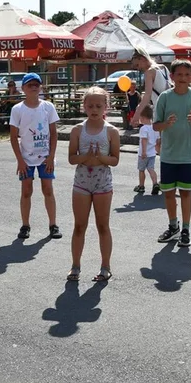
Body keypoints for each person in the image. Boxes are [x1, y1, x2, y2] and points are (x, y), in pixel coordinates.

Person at [153, 59, 191, 249]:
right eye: (179, 75)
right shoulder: (165, 97)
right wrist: (166, 125)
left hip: (188, 154)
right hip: (168, 154)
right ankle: (173, 225)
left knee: (185, 193)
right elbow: (155, 124)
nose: (183, 78)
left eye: (187, 75)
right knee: (168, 193)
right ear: (172, 76)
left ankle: (185, 229)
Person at [67, 86, 120, 282]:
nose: (94, 109)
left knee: (102, 226)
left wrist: (101, 158)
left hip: (102, 183)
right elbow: (72, 158)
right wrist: (86, 156)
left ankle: (105, 266)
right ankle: (75, 266)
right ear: (84, 107)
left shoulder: (112, 131)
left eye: (99, 105)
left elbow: (115, 160)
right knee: (79, 226)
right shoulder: (77, 130)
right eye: (90, 106)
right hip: (81, 182)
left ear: (106, 107)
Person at [9, 73, 62, 240]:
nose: (33, 87)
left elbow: (54, 133)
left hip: (45, 156)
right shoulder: (17, 109)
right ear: (23, 88)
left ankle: (53, 225)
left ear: (41, 87)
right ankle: (25, 225)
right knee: (26, 191)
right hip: (26, 158)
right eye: (29, 84)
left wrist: (51, 155)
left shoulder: (48, 107)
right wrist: (20, 160)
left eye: (36, 84)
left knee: (48, 189)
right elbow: (13, 137)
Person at [132, 47, 172, 127]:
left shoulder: (149, 72)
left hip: (160, 110)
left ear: (142, 59)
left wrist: (136, 115)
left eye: (137, 65)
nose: (138, 68)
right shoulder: (163, 67)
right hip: (172, 107)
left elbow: (147, 95)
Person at [134, 111, 160, 195]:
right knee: (151, 168)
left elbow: (144, 140)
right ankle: (155, 183)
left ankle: (141, 186)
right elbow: (158, 140)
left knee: (141, 170)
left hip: (143, 153)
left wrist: (144, 152)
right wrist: (158, 150)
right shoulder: (155, 128)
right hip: (152, 153)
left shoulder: (144, 128)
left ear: (143, 118)